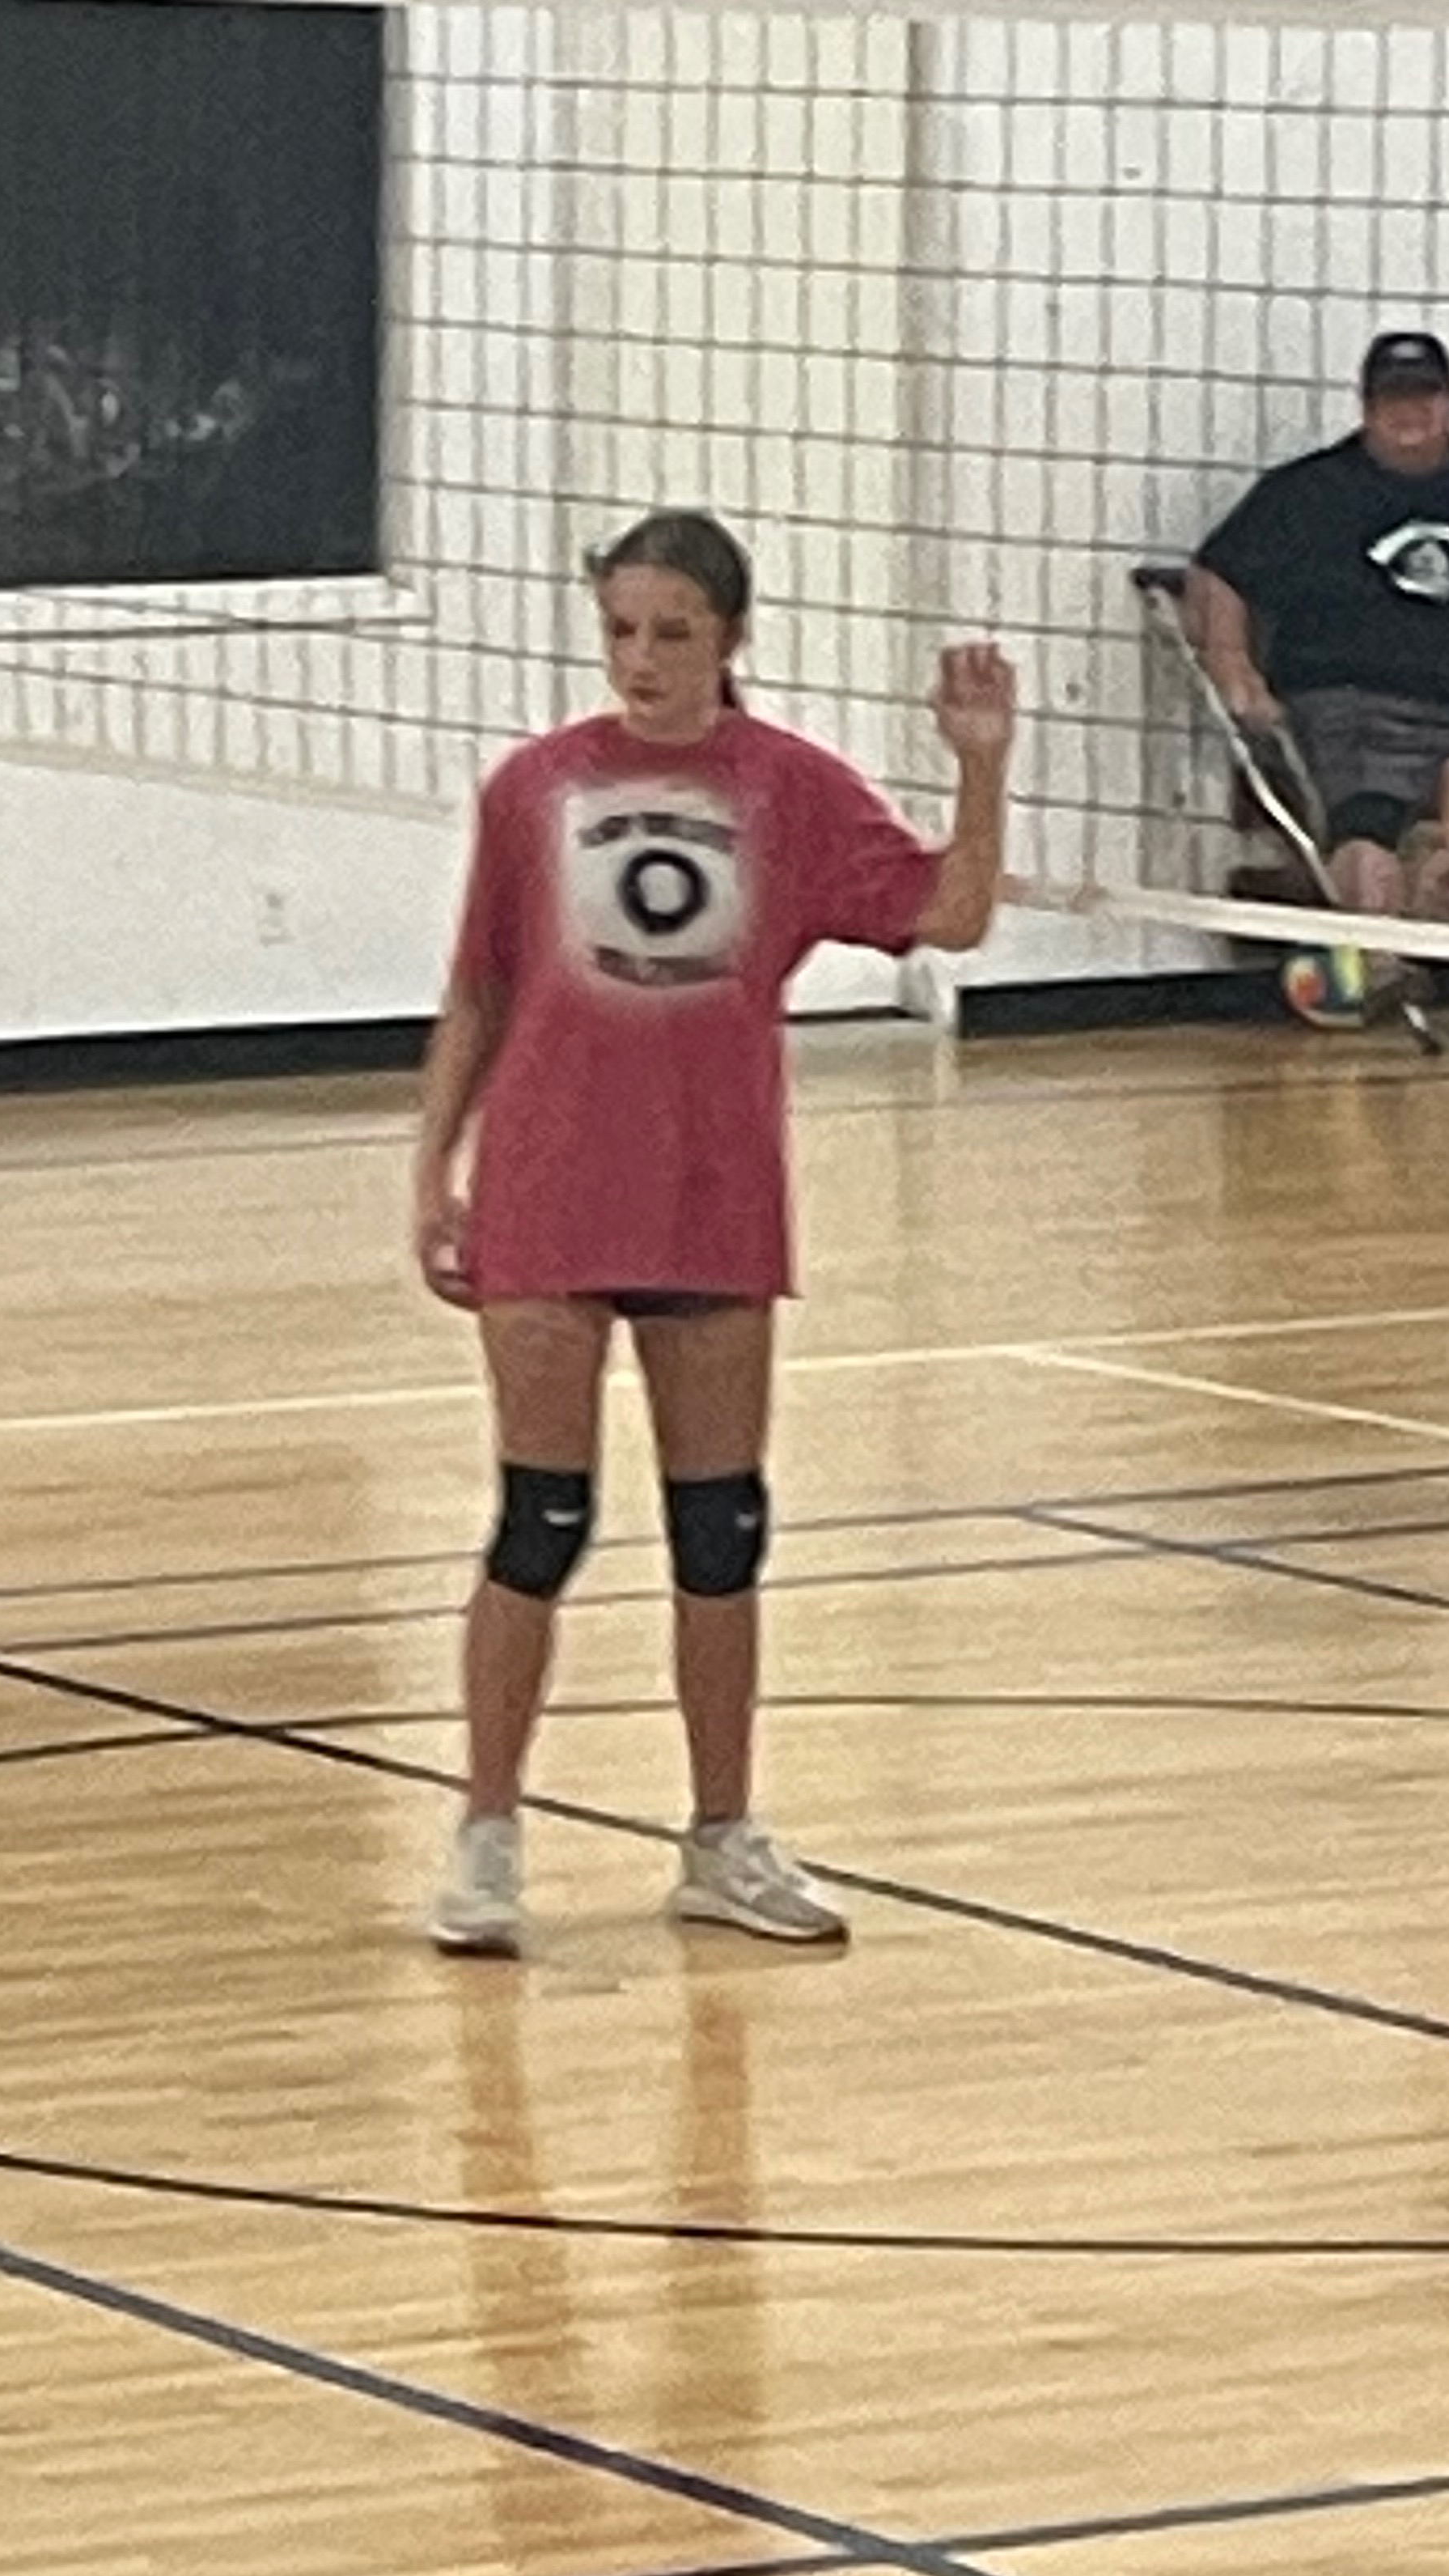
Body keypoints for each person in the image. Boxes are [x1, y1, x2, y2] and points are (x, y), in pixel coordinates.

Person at [413, 507, 1015, 1955]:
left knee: (719, 1530)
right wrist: (432, 1173)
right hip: (551, 1184)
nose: (641, 659)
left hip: (708, 1190)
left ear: (730, 637)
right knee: (539, 1522)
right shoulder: (534, 787)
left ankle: (720, 1837)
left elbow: (949, 916)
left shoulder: (788, 789)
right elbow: (479, 992)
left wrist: (981, 768)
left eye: (672, 632)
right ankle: (485, 1839)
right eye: (621, 630)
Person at [1185, 332, 1449, 925]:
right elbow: (1218, 574)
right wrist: (1232, 664)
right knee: (1367, 836)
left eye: (1425, 396)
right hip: (1357, 707)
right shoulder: (1310, 490)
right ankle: (1373, 952)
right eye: (1393, 398)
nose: (1410, 412)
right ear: (1365, 405)